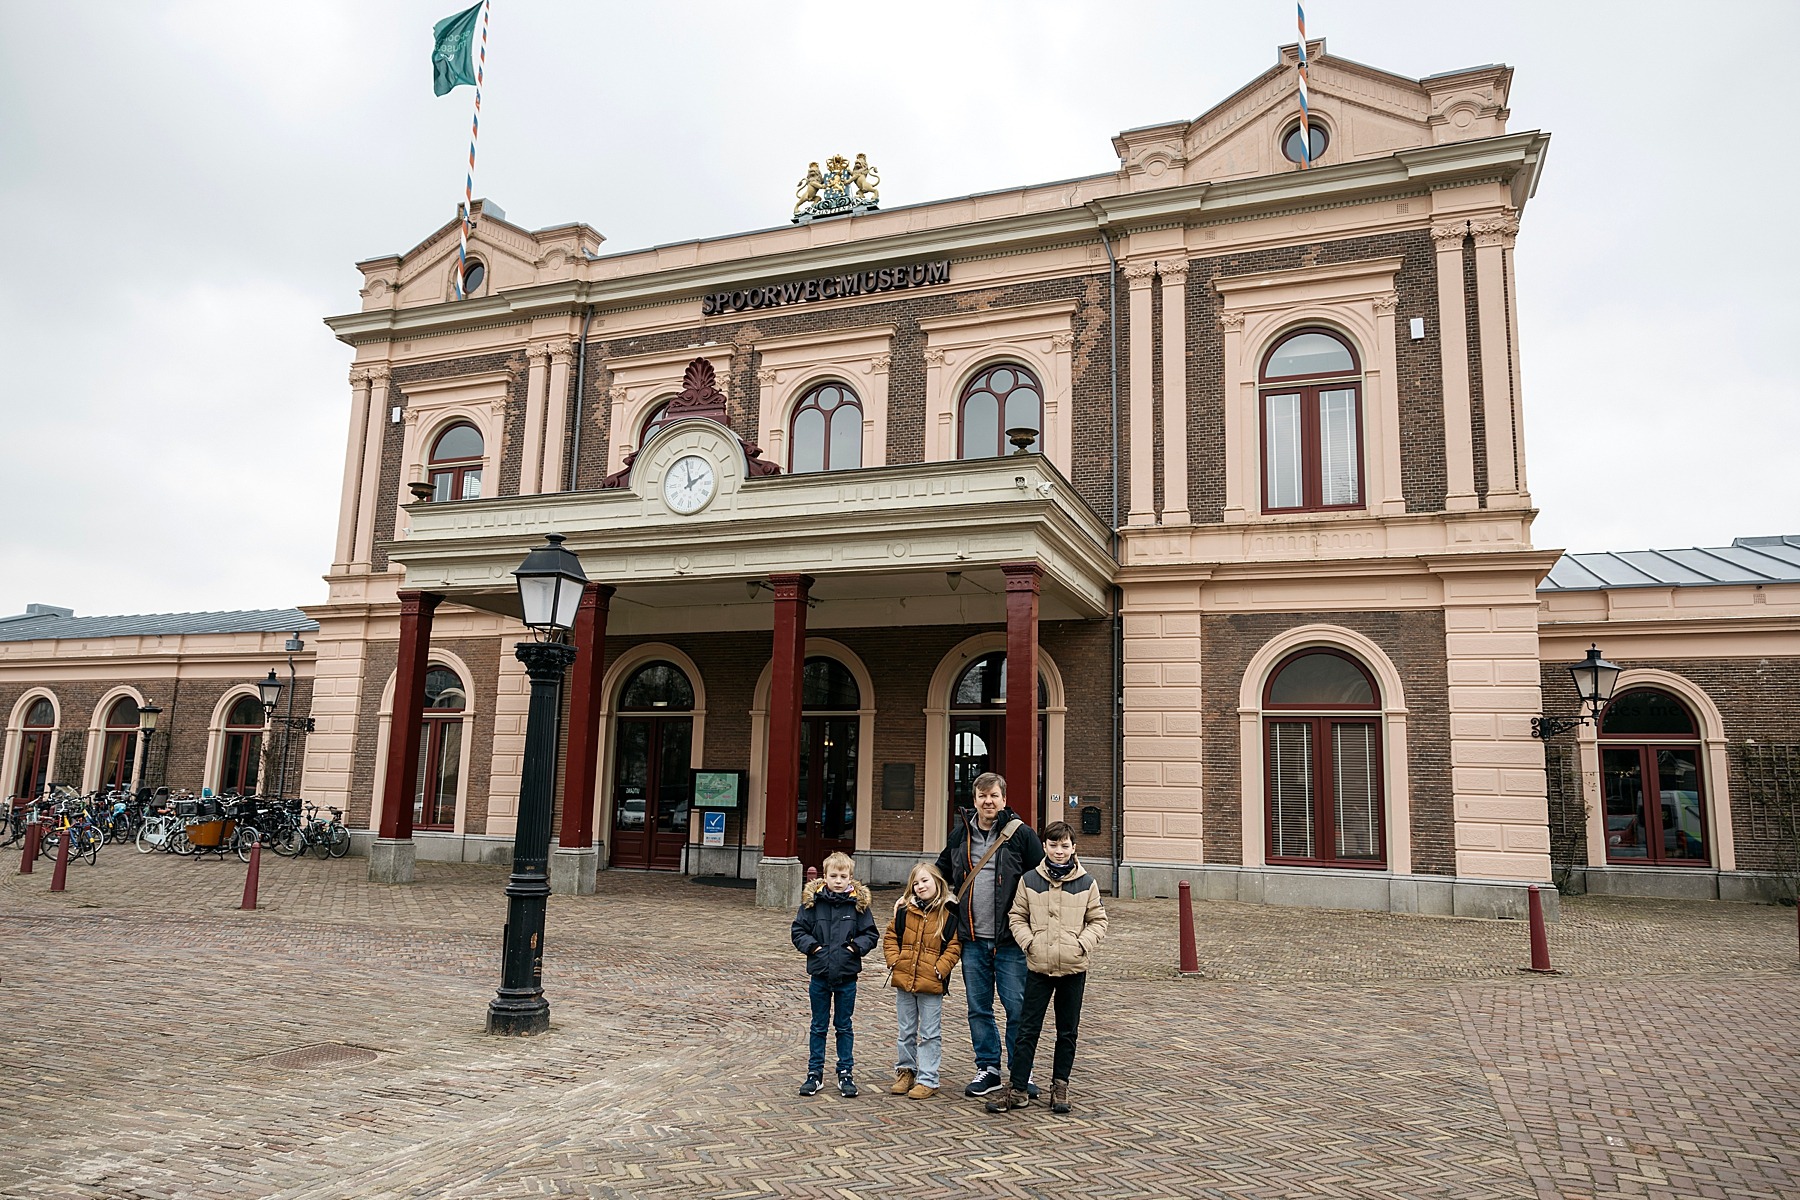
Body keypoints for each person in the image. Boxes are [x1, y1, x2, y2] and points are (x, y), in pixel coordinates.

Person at [934, 771, 1044, 1098]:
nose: (988, 801)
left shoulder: (1022, 836)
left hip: (1010, 941)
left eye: (994, 795)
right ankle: (989, 1068)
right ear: (975, 800)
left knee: (1016, 1008)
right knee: (978, 1007)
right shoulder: (960, 836)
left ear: (1004, 799)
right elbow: (938, 873)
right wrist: (912, 890)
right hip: (971, 939)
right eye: (983, 796)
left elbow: (1040, 880)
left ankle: (1021, 1072)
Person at [987, 820, 1107, 1115]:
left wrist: (1081, 944)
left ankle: (1060, 1084)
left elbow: (1098, 920)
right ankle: (1017, 1088)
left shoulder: (1087, 883)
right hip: (1038, 966)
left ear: (1073, 848)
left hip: (1073, 967)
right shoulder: (1030, 880)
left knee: (1067, 1030)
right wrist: (1030, 943)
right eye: (1053, 845)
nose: (1059, 851)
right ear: (1044, 847)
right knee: (1028, 1028)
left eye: (1065, 846)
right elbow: (1017, 916)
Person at [790, 850, 880, 1097]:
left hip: (847, 976)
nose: (838, 880)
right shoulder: (812, 904)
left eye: (843, 876)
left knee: (844, 1025)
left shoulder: (858, 906)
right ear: (825, 876)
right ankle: (814, 1073)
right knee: (819, 1026)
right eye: (833, 875)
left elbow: (871, 934)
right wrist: (814, 948)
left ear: (850, 877)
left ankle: (845, 1072)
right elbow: (798, 930)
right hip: (819, 975)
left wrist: (854, 948)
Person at [881, 862, 963, 1100]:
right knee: (905, 1030)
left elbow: (954, 946)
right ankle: (906, 1071)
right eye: (915, 883)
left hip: (931, 983)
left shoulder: (948, 913)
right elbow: (890, 937)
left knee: (929, 1033)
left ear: (937, 881)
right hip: (905, 978)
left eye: (925, 881)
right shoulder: (905, 910)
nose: (920, 886)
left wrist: (940, 969)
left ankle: (928, 1078)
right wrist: (894, 961)